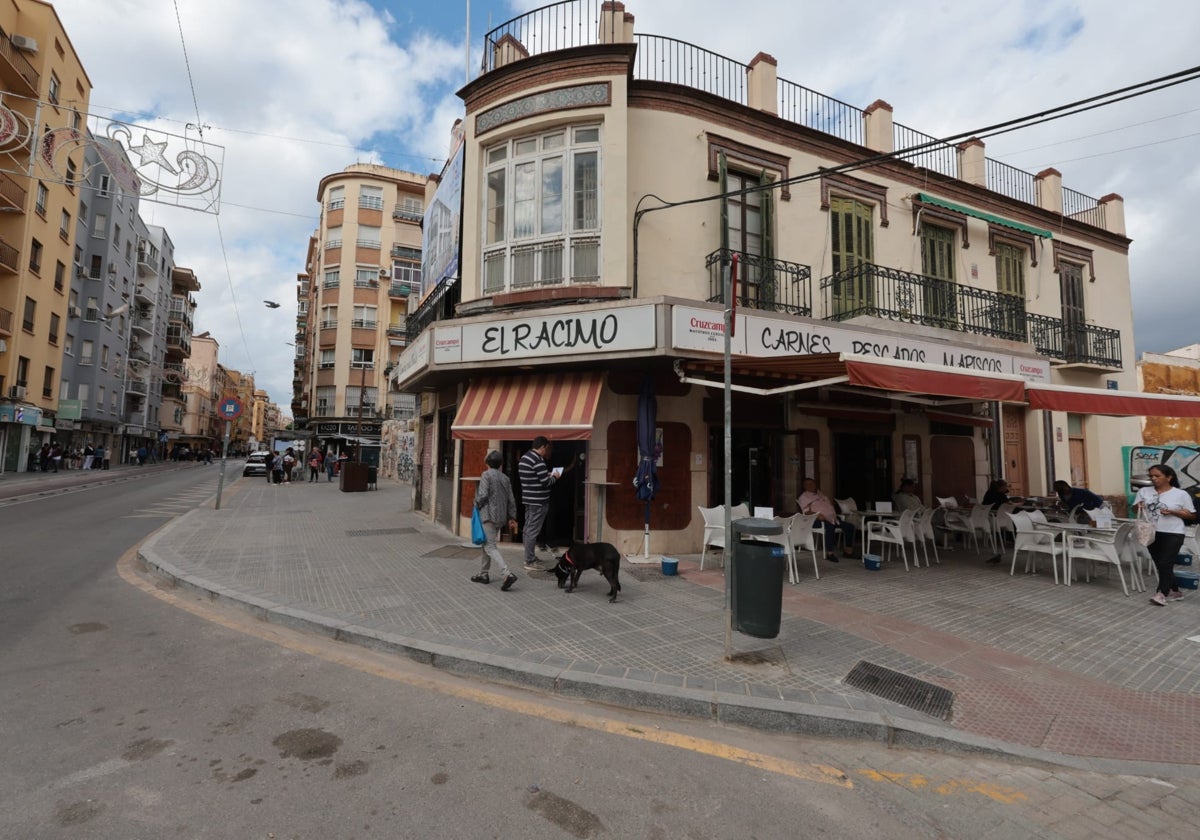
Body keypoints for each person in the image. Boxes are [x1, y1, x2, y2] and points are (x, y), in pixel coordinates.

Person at [1136, 463, 1195, 606]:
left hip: (1173, 532)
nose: (1154, 479)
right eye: (1151, 476)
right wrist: (1138, 505)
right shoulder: (1144, 491)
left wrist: (1173, 512)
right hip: (1151, 532)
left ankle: (1161, 594)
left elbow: (1192, 515)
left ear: (1169, 477)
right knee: (1162, 565)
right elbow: (1135, 509)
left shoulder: (1180, 494)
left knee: (1165, 562)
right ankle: (1176, 591)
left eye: (1157, 476)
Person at [471, 450, 519, 591]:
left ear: (487, 463)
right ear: (500, 464)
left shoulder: (486, 475)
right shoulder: (505, 478)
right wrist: (512, 517)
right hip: (500, 517)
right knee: (487, 544)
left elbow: (483, 495)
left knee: (490, 546)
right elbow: (511, 499)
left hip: (488, 515)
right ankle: (484, 574)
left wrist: (476, 503)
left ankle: (507, 573)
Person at [519, 436, 559, 570]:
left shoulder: (525, 458)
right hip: (539, 501)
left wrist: (545, 474)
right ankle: (529, 561)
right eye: (546, 448)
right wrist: (554, 477)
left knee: (527, 528)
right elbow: (546, 483)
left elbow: (532, 478)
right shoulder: (538, 461)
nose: (546, 451)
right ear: (542, 447)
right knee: (532, 531)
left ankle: (529, 557)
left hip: (528, 499)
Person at [797, 478, 857, 560]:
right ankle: (829, 553)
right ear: (804, 486)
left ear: (815, 484)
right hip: (815, 520)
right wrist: (817, 514)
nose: (810, 486)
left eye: (812, 483)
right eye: (807, 484)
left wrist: (834, 515)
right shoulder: (804, 497)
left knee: (850, 527)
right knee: (830, 527)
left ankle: (848, 552)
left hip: (831, 519)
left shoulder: (820, 494)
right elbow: (806, 512)